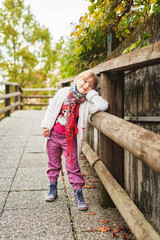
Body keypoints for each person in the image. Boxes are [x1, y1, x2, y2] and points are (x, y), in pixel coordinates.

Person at [41, 71, 108, 211]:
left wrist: (91, 94)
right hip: (54, 135)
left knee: (73, 165)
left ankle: (78, 193)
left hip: (70, 138)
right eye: (84, 81)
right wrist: (46, 126)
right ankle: (52, 187)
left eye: (90, 85)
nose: (86, 85)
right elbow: (52, 108)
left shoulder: (86, 102)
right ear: (77, 79)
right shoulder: (63, 92)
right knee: (53, 162)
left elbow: (103, 105)